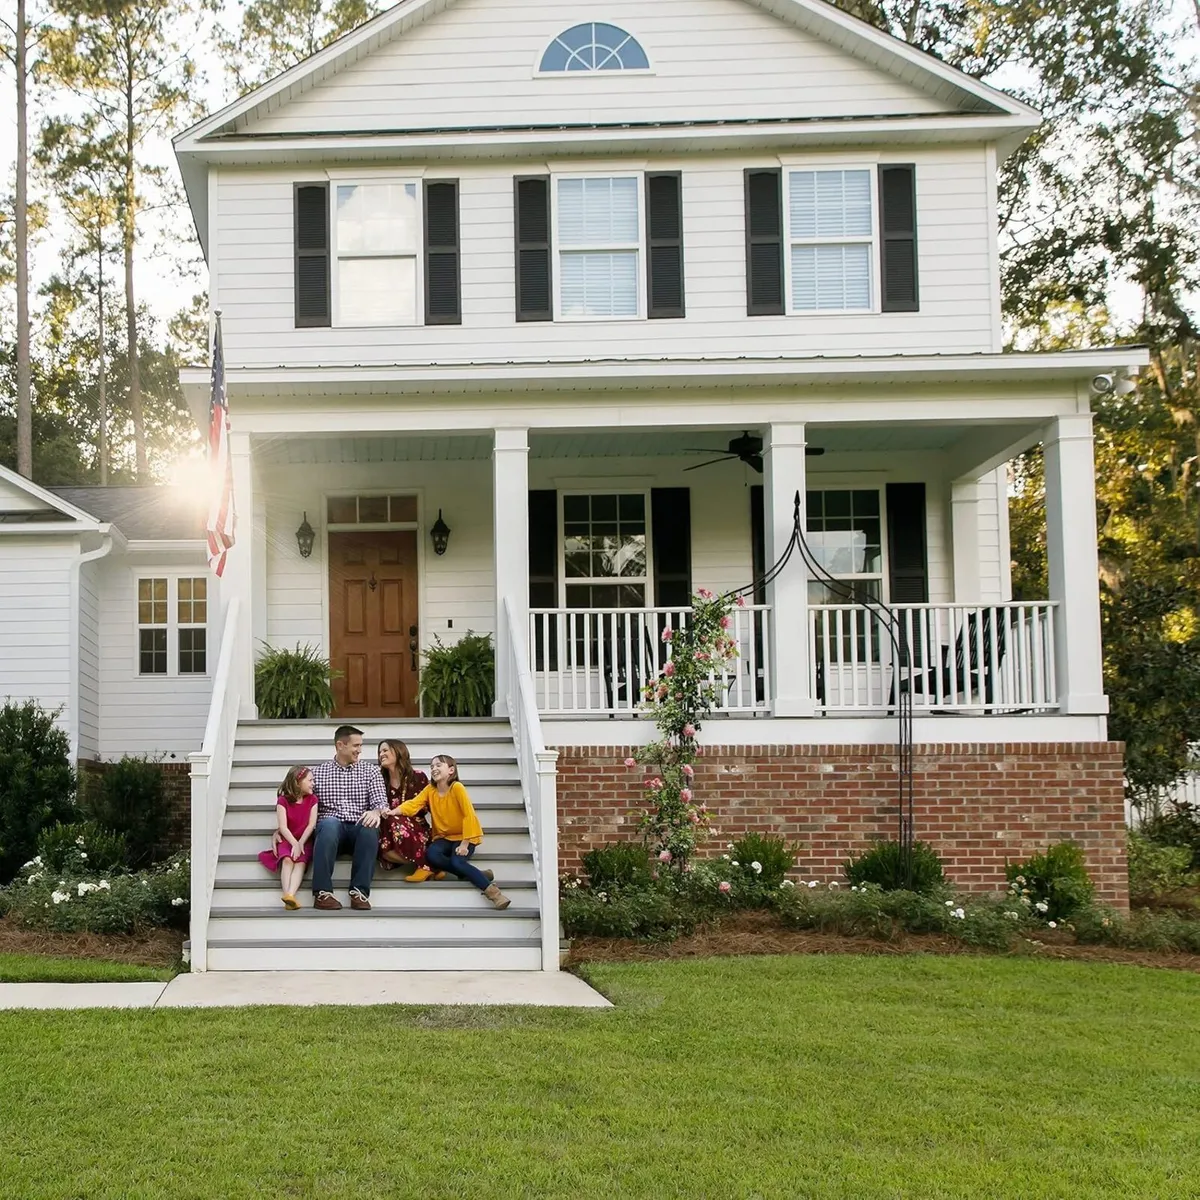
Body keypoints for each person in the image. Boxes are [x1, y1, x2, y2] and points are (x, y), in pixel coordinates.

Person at [398, 754, 511, 908]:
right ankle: (475, 873)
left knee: (457, 861)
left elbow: (468, 814)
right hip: (444, 837)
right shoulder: (430, 789)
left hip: (465, 836)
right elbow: (413, 804)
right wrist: (393, 812)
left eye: (438, 765)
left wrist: (465, 843)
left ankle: (494, 894)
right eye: (431, 766)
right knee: (431, 855)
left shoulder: (457, 787)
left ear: (451, 770)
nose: (434, 768)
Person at [309, 724, 389, 911]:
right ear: (340, 745)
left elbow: (381, 803)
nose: (360, 750)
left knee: (370, 827)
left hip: (359, 830)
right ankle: (322, 894)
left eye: (361, 746)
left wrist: (375, 812)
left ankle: (359, 893)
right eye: (356, 746)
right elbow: (302, 804)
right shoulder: (318, 773)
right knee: (329, 823)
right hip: (330, 832)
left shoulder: (371, 771)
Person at [257, 766, 319, 909]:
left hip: (305, 839)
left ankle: (291, 895)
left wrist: (301, 843)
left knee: (300, 862)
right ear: (298, 782)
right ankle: (287, 895)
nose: (313, 784)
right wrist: (294, 843)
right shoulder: (283, 801)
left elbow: (311, 825)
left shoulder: (313, 800)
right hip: (287, 838)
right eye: (310, 780)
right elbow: (283, 827)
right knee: (287, 860)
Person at [376, 740, 430, 871]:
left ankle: (426, 864)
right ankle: (427, 864)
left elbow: (428, 806)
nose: (381, 754)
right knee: (379, 848)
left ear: (398, 751)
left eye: (385, 750)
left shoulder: (418, 777)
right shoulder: (379, 779)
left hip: (416, 827)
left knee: (391, 819)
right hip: (388, 831)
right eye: (379, 752)